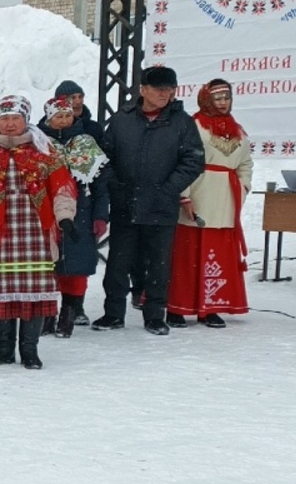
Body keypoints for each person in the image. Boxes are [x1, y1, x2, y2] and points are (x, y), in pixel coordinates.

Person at [0, 96, 77, 370]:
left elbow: (61, 189)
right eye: (4, 119)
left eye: (15, 118)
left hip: (33, 233)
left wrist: (65, 218)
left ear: (26, 120)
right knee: (3, 293)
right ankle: (4, 348)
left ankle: (30, 349)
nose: (9, 124)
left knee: (33, 293)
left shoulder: (44, 152)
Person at [93, 66, 205, 335]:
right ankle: (113, 313)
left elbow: (194, 161)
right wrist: (115, 186)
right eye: (158, 89)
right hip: (126, 203)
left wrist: (169, 189)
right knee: (118, 263)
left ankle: (155, 315)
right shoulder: (122, 120)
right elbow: (104, 157)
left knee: (159, 264)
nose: (164, 94)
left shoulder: (183, 123)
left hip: (162, 205)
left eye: (169, 89)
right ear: (142, 90)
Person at [166, 80, 252, 329]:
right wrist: (185, 196)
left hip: (225, 200)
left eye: (227, 97)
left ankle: (210, 307)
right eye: (218, 98)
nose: (223, 102)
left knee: (217, 257)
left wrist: (242, 187)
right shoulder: (193, 126)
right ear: (206, 99)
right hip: (199, 192)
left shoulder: (238, 131)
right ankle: (177, 307)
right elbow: (182, 162)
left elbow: (245, 163)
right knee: (187, 256)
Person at [39, 94, 110, 337]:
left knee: (76, 266)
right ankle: (46, 315)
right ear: (49, 117)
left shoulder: (86, 142)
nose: (65, 120)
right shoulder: (39, 143)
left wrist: (101, 215)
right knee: (47, 264)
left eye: (68, 115)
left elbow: (101, 184)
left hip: (82, 210)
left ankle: (69, 313)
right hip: (45, 210)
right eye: (59, 116)